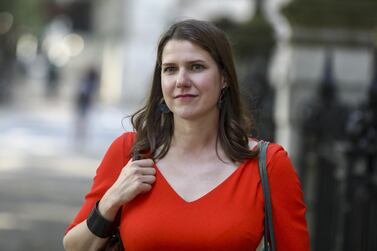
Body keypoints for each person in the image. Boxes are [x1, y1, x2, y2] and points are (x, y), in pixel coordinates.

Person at [63, 19, 310, 251]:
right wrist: (110, 201)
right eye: (170, 69)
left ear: (224, 78)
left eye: (196, 67)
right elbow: (74, 246)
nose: (181, 80)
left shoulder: (267, 164)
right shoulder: (130, 152)